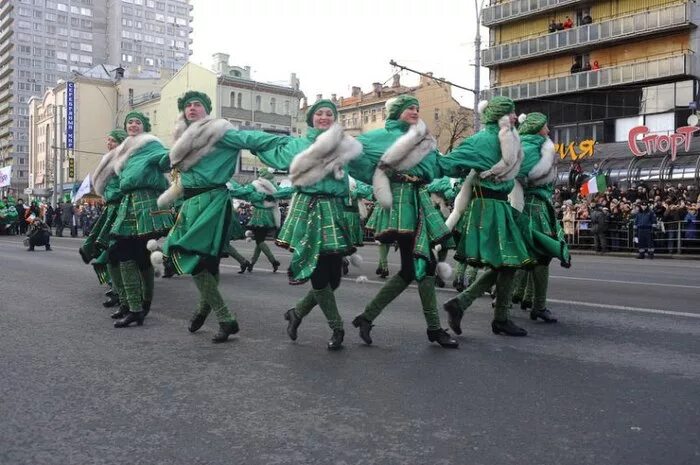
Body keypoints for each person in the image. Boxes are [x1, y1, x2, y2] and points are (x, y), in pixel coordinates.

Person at [157, 91, 283, 343]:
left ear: (207, 110)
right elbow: (165, 162)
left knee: (194, 260)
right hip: (191, 204)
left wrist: (281, 143)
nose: (192, 108)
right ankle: (204, 310)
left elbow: (249, 137)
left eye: (197, 105)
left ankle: (225, 318)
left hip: (211, 201)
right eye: (188, 106)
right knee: (208, 263)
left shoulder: (220, 132)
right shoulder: (181, 141)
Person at [347, 94, 458, 348]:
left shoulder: (425, 139)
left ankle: (366, 317)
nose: (415, 111)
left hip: (418, 201)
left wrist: (471, 162)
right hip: (399, 204)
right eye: (410, 108)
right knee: (425, 265)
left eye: (417, 108)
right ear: (397, 112)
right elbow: (351, 152)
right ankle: (434, 329)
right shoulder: (380, 136)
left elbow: (439, 165)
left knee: (411, 270)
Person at [250, 99, 361, 350]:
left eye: (329, 114)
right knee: (320, 274)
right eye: (319, 113)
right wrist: (236, 137)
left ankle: (297, 313)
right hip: (309, 208)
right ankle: (337, 328)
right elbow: (267, 147)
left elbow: (367, 162)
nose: (324, 117)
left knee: (334, 279)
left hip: (334, 210)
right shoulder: (298, 144)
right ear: (311, 119)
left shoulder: (344, 146)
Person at [440, 96, 533, 337]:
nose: (515, 117)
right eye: (511, 113)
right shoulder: (482, 140)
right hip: (487, 207)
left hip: (499, 207)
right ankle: (494, 316)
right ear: (499, 116)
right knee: (509, 263)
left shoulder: (510, 139)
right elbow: (449, 163)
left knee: (509, 264)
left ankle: (466, 305)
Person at [107, 111, 172, 328]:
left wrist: (176, 153)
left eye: (137, 122)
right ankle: (134, 306)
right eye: (130, 122)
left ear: (144, 127)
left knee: (134, 256)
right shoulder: (126, 150)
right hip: (129, 204)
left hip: (145, 204)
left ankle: (139, 306)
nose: (133, 125)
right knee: (124, 255)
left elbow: (165, 160)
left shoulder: (150, 144)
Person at [514, 112, 571, 323]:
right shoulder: (531, 149)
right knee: (532, 258)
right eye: (546, 127)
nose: (548, 130)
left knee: (534, 258)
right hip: (530, 208)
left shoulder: (537, 147)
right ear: (538, 128)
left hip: (538, 207)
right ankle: (467, 299)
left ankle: (529, 301)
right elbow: (515, 176)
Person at [81, 129, 129, 310]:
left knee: (118, 250)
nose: (109, 144)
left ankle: (126, 293)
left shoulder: (125, 160)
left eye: (113, 141)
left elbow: (126, 184)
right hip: (110, 209)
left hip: (122, 209)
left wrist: (112, 193)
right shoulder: (107, 160)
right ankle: (116, 289)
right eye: (108, 140)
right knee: (107, 250)